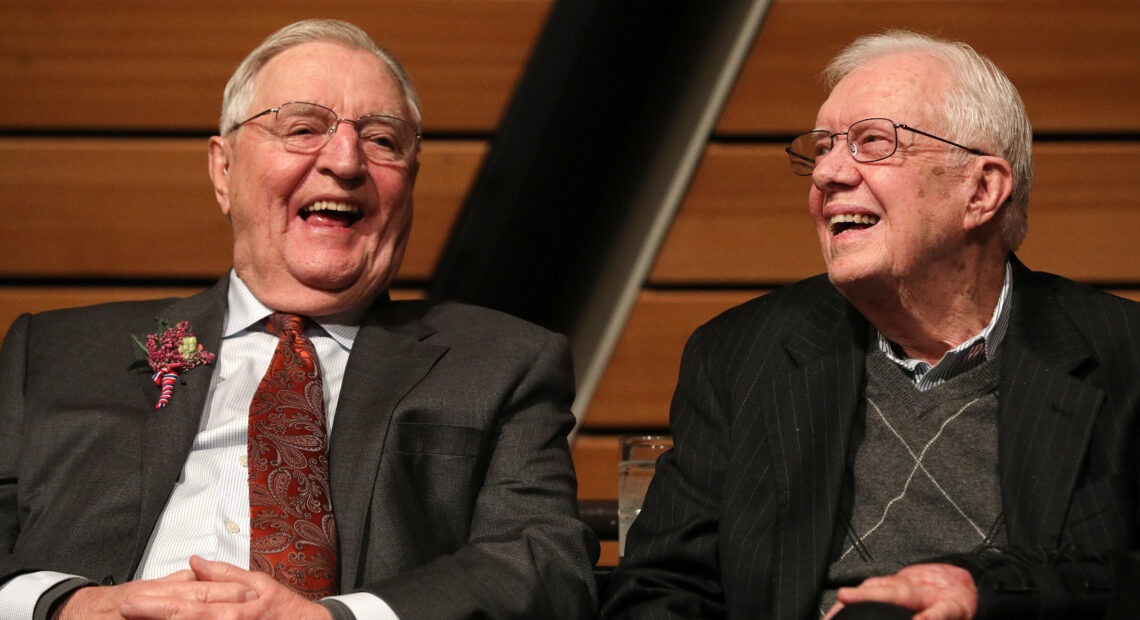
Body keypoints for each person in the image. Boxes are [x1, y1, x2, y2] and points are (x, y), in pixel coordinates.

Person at [0, 18, 598, 620]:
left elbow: (542, 561)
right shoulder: (53, 354)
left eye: (384, 140)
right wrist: (69, 606)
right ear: (223, 170)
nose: (346, 161)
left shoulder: (500, 363)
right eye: (303, 127)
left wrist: (330, 619)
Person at [602, 30, 1140, 619]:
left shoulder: (1122, 355)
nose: (827, 173)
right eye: (824, 147)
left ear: (981, 190)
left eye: (871, 143)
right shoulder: (739, 353)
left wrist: (989, 595)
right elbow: (662, 589)